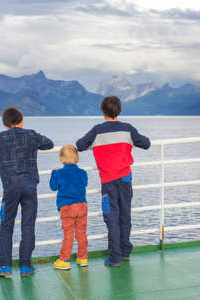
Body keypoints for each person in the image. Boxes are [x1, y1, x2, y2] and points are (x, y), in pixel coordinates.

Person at [76, 96, 150, 267]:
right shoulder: (128, 129)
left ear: (102, 112)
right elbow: (146, 144)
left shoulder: (97, 131)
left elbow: (79, 145)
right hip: (125, 179)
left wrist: (94, 145)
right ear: (119, 111)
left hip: (108, 181)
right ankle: (125, 252)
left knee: (112, 217)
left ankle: (115, 256)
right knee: (125, 215)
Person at [0, 107, 54, 277]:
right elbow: (49, 143)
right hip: (30, 186)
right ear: (22, 121)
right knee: (28, 225)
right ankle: (25, 265)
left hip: (10, 187)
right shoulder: (31, 135)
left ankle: (5, 265)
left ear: (5, 124)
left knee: (6, 225)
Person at [49, 144, 88, 270]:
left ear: (61, 159)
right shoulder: (83, 173)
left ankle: (64, 260)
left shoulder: (60, 173)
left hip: (67, 207)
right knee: (81, 232)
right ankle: (83, 258)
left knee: (68, 233)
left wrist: (54, 173)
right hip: (82, 205)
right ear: (76, 158)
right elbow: (85, 183)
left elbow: (53, 187)